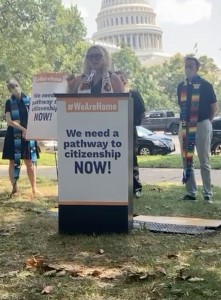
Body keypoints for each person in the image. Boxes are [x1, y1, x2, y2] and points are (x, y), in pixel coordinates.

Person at [177, 57, 218, 203]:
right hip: (185, 125)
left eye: (190, 66)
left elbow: (214, 107)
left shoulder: (205, 85)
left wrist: (207, 122)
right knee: (187, 160)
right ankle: (191, 192)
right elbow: (182, 106)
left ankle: (208, 193)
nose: (187, 69)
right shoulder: (181, 86)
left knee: (204, 160)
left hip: (201, 124)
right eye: (186, 66)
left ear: (197, 68)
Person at [2, 78, 40, 197]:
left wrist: (31, 132)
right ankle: (14, 188)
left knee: (29, 162)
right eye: (12, 87)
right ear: (10, 90)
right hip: (13, 135)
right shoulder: (9, 102)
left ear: (20, 85)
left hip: (28, 135)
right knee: (13, 162)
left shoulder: (29, 100)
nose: (15, 89)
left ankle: (34, 188)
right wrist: (24, 130)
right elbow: (9, 121)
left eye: (16, 86)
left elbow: (35, 118)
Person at [115, 70, 146, 198]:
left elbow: (142, 113)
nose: (117, 81)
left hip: (129, 129)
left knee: (131, 158)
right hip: (115, 131)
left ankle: (136, 187)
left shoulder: (133, 94)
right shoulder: (110, 95)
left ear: (125, 81)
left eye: (120, 79)